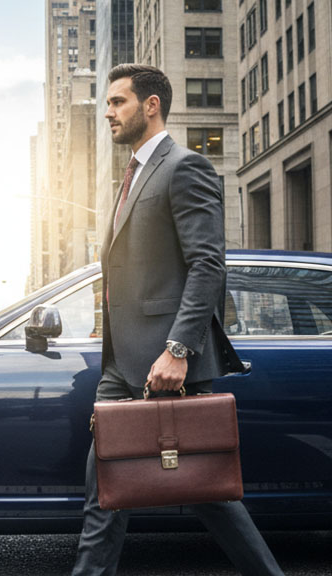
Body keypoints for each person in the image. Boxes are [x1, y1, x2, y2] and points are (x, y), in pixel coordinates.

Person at [72, 64, 283, 576]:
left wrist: (179, 350)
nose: (107, 113)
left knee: (212, 495)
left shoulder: (184, 166)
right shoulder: (133, 174)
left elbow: (207, 264)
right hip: (121, 366)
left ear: (151, 106)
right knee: (105, 494)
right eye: (106, 104)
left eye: (118, 102)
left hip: (166, 364)